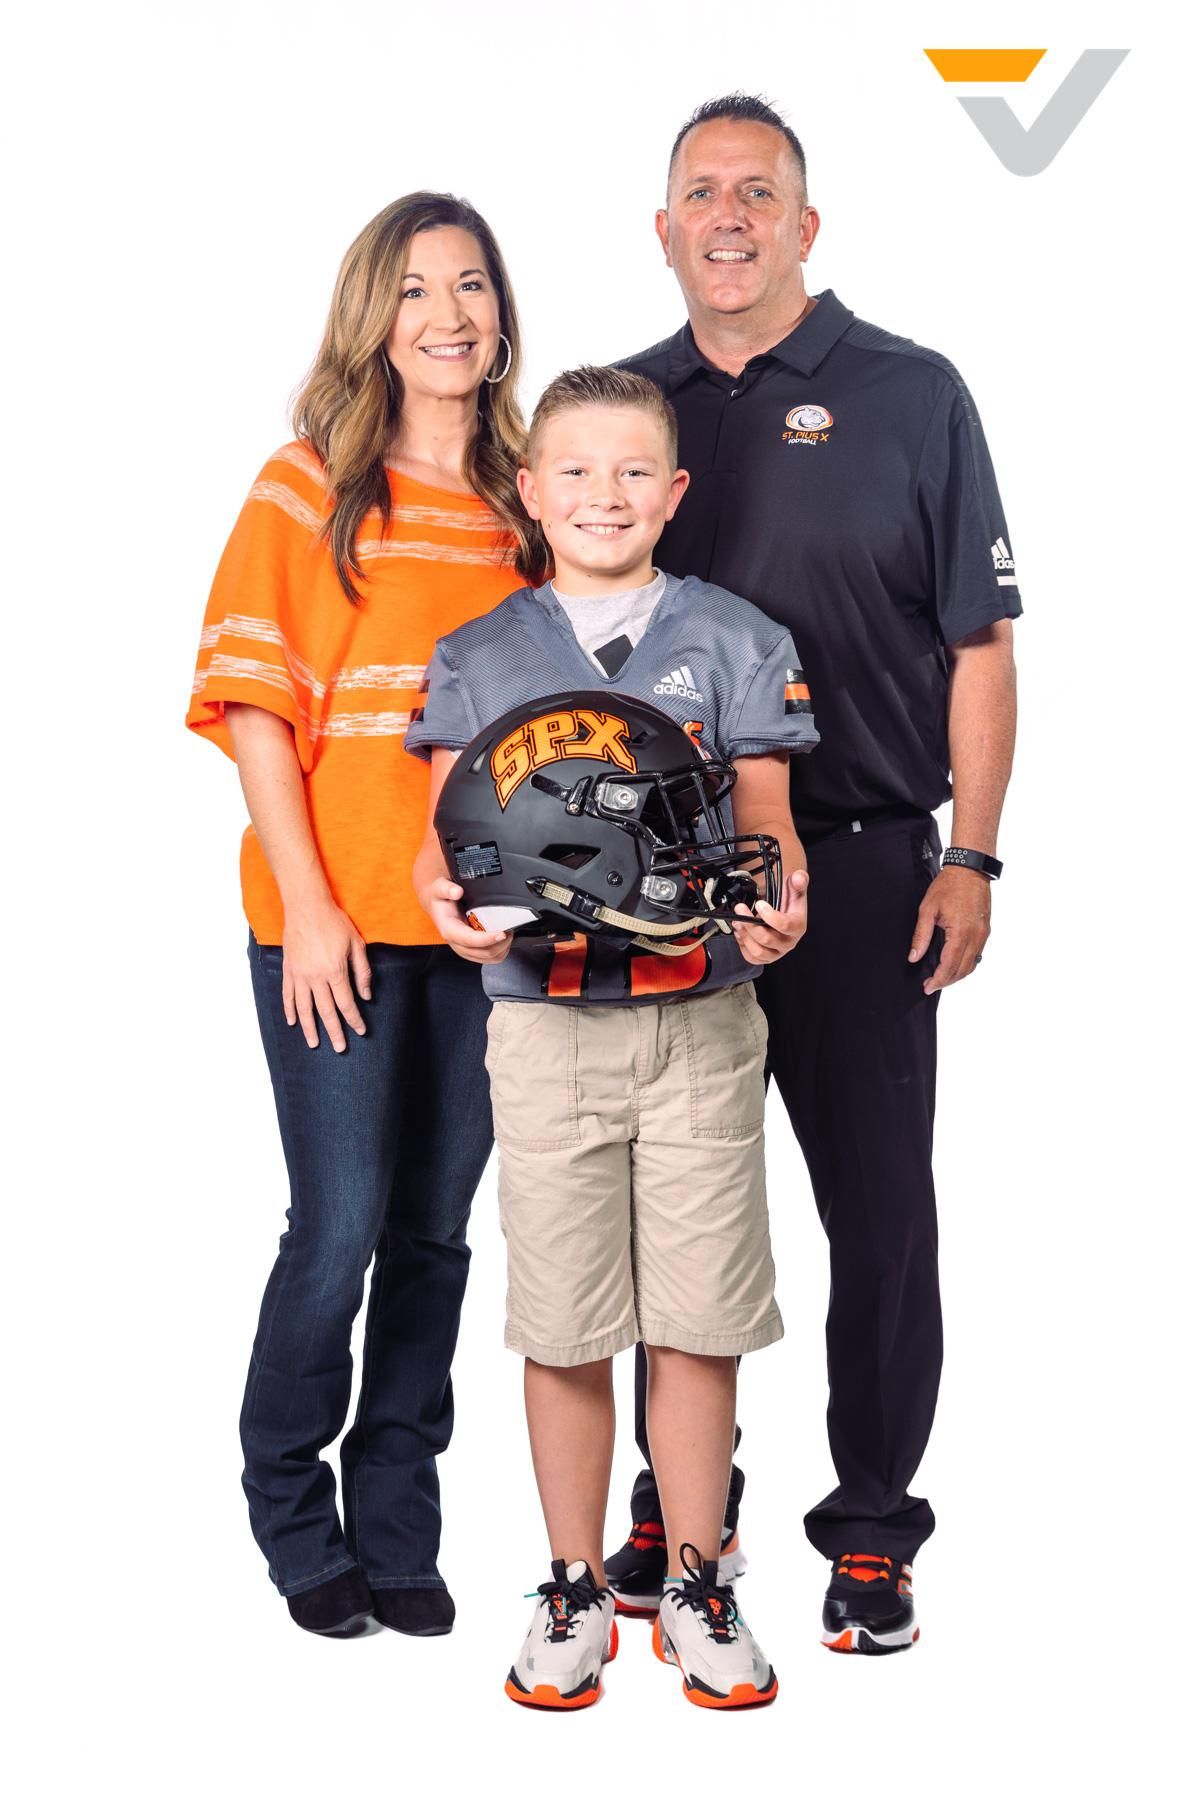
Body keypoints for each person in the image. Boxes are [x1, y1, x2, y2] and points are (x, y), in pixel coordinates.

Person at [603, 95, 1021, 1655]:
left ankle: (872, 1532)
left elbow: (982, 649)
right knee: (666, 1219)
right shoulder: (622, 412)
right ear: (663, 230)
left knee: (880, 1218)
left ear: (804, 225)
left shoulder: (913, 393)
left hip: (859, 871)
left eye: (758, 192)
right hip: (659, 882)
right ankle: (675, 1500)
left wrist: (970, 853)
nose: (730, 215)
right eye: (702, 192)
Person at [408, 365, 818, 1708]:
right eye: (576, 471)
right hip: (547, 1033)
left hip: (700, 1024)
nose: (606, 495)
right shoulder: (479, 654)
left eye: (635, 470)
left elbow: (769, 835)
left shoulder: (739, 639)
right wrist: (448, 909)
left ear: (676, 490)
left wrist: (778, 910)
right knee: (567, 1321)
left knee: (698, 1321)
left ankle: (697, 1582)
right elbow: (442, 851)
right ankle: (574, 1583)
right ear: (530, 491)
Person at [186, 192, 545, 1639]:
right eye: (413, 290)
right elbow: (256, 709)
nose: (446, 315)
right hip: (331, 924)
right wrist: (313, 908)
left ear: (501, 314)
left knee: (436, 1236)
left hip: (483, 936)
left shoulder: (529, 505)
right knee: (336, 1229)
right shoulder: (309, 487)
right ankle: (286, 1501)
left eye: (470, 286)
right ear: (372, 320)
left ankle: (396, 1515)